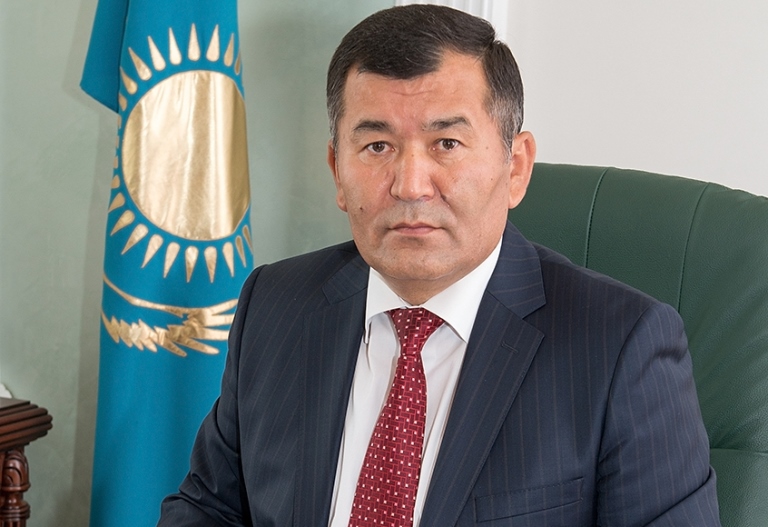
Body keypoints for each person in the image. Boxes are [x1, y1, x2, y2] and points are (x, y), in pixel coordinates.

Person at [158, 5, 721, 526]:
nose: (410, 186)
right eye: (377, 147)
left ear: (516, 167)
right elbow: (209, 510)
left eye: (446, 143)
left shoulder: (621, 347)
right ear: (337, 170)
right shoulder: (276, 304)